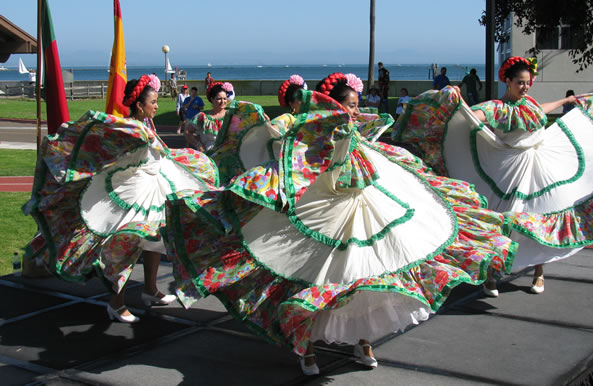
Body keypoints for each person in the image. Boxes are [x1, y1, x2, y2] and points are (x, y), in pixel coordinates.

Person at [163, 71, 517, 376]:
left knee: (364, 274)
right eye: (351, 103)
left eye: (357, 103)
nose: (357, 109)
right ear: (333, 104)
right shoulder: (306, 130)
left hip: (362, 212)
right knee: (318, 276)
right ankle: (309, 346)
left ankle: (363, 342)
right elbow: (282, 147)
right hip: (321, 212)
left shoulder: (357, 129)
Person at [392, 56, 593, 295]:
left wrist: (566, 100)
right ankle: (493, 273)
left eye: (527, 82)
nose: (525, 86)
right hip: (509, 169)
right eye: (520, 83)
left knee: (541, 214)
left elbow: (541, 110)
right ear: (508, 82)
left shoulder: (530, 103)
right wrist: (457, 102)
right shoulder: (497, 108)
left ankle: (538, 272)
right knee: (501, 219)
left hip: (539, 166)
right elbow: (471, 117)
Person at [23, 74, 218, 323]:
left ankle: (150, 290)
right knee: (130, 244)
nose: (157, 106)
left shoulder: (145, 124)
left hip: (152, 189)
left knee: (155, 239)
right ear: (139, 105)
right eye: (154, 102)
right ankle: (116, 303)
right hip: (132, 195)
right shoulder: (130, 127)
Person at [184, 82, 234, 152]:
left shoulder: (232, 115)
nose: (223, 101)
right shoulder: (203, 117)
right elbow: (187, 132)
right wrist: (198, 145)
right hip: (210, 155)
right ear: (212, 99)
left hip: (229, 155)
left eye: (225, 98)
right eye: (219, 98)